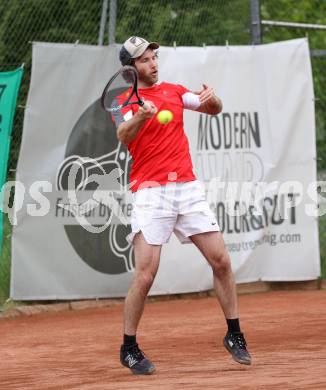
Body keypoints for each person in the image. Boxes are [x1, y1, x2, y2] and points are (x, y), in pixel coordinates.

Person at [114, 36, 252, 375]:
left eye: (154, 57)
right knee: (146, 274)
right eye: (145, 60)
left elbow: (213, 108)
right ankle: (128, 347)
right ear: (131, 70)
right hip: (151, 192)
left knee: (221, 260)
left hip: (187, 189)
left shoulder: (174, 91)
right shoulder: (125, 101)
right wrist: (143, 117)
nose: (153, 64)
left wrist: (212, 98)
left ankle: (234, 335)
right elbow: (123, 135)